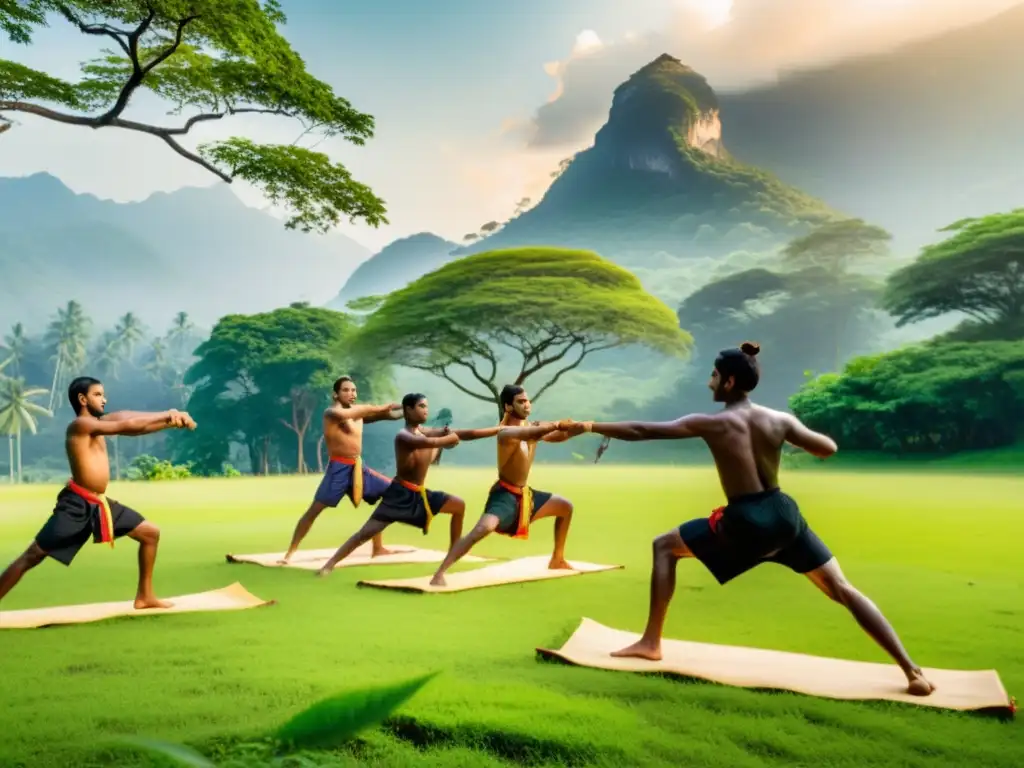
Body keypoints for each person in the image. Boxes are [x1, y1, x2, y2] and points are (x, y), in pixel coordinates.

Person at [577, 341, 935, 696]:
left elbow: (643, 430)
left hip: (746, 520)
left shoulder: (712, 423)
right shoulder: (779, 419)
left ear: (729, 382)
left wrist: (590, 425)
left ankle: (651, 642)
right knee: (842, 588)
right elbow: (828, 448)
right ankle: (912, 671)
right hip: (784, 513)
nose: (709, 383)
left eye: (714, 376)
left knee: (664, 546)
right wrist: (788, 438)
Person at [0, 376, 196, 609]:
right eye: (97, 395)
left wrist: (170, 417)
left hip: (100, 504)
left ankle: (145, 596)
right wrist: (168, 416)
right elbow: (127, 427)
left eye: (103, 394)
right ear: (82, 399)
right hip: (77, 504)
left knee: (150, 534)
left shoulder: (98, 423)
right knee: (32, 556)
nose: (104, 399)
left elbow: (127, 418)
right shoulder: (81, 426)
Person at [317, 393, 500, 575]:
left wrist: (498, 429)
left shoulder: (423, 431)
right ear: (408, 410)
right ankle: (329, 565)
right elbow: (430, 442)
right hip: (399, 494)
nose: (425, 410)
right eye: (421, 406)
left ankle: (453, 555)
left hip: (419, 494)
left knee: (458, 505)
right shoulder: (403, 436)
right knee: (365, 533)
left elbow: (466, 434)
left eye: (426, 406)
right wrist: (449, 439)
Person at [428, 384, 581, 587]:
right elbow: (537, 433)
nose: (527, 405)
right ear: (508, 407)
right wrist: (555, 424)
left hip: (526, 495)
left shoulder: (530, 428)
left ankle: (557, 559)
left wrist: (577, 429)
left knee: (565, 507)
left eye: (527, 400)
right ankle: (439, 573)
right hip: (505, 496)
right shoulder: (506, 432)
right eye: (521, 401)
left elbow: (555, 436)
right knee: (481, 529)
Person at [280, 376, 402, 563]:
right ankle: (290, 553)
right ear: (335, 394)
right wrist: (380, 407)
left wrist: (408, 409)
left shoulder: (359, 414)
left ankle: (377, 548)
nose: (351, 393)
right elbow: (364, 411)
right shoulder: (332, 413)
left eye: (353, 390)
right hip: (338, 468)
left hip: (358, 467)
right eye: (346, 390)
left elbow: (390, 415)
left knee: (392, 493)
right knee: (314, 511)